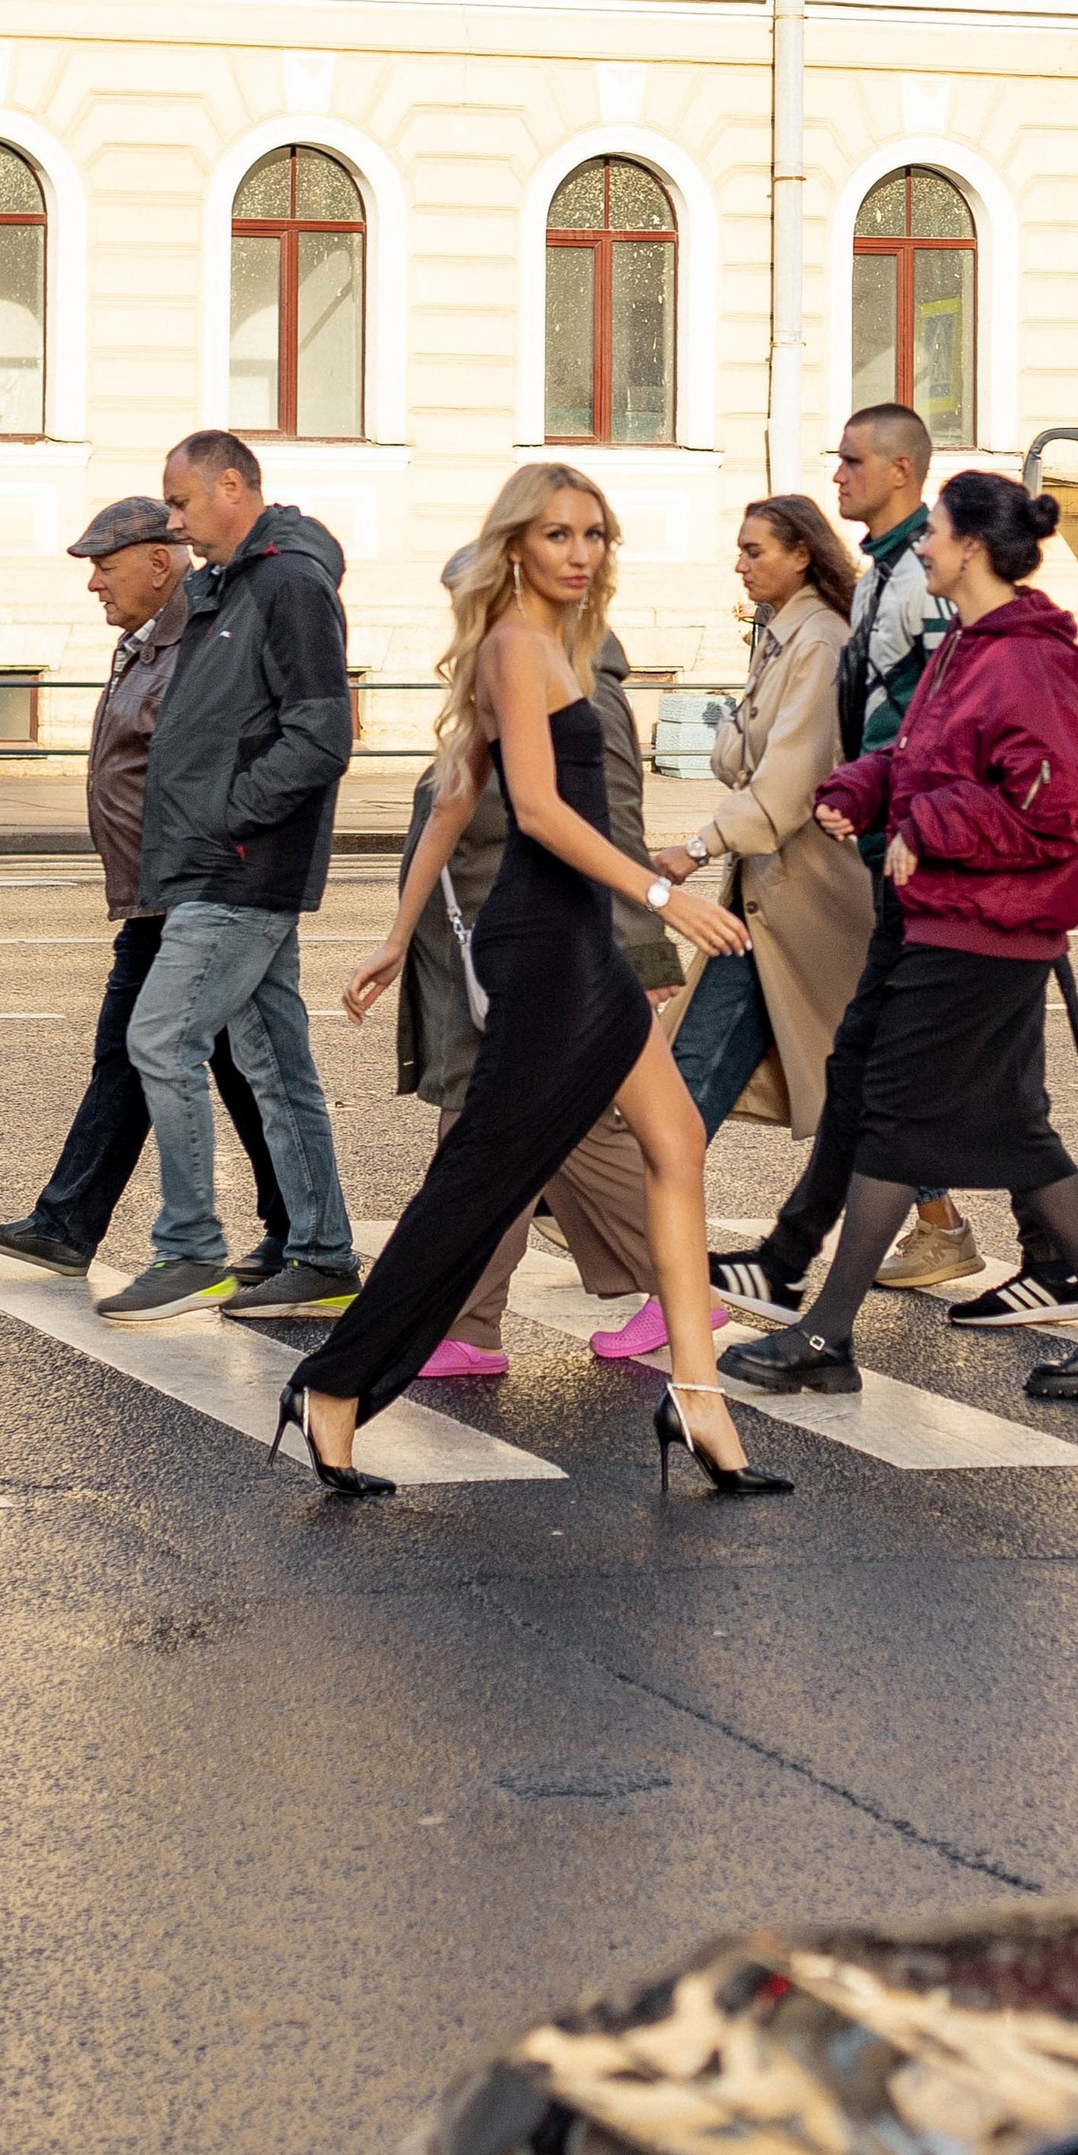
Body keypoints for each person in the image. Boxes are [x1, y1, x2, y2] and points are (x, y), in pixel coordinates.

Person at [277, 464, 786, 1500]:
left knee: (675, 1143)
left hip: (575, 940)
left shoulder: (550, 643)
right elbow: (543, 812)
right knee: (481, 1177)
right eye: (557, 534)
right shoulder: (515, 644)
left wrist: (398, 932)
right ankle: (333, 1384)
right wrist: (662, 896)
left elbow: (455, 792)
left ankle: (697, 1396)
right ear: (515, 544)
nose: (580, 552)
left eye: (594, 534)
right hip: (548, 948)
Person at [720, 470, 1078, 1407]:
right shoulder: (968, 644)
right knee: (1002, 1129)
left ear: (970, 545)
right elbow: (920, 759)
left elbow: (1063, 808)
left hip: (985, 929)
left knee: (893, 1113)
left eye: (932, 530)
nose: (920, 544)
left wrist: (928, 826)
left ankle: (825, 1332)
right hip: (936, 915)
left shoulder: (1028, 659)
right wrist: (860, 790)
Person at [707, 410, 1070, 1328]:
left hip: (951, 876)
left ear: (903, 470)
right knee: (910, 1072)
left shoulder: (932, 585)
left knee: (928, 1080)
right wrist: (864, 792)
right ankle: (1045, 1265)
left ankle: (803, 1271)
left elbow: (961, 736)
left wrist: (914, 815)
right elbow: (905, 730)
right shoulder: (885, 575)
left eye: (853, 460)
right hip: (908, 862)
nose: (838, 474)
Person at [0, 493, 286, 1283]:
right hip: (158, 894)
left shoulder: (197, 648)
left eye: (105, 566)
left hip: (190, 894)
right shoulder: (145, 645)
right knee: (198, 1061)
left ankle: (284, 1234)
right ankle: (80, 1224)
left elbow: (225, 768)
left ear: (159, 561)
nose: (93, 583)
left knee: (196, 1060)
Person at [103, 429, 361, 1326]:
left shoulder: (288, 583)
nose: (172, 524)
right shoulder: (231, 584)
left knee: (159, 1039)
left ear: (231, 486)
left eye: (180, 504)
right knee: (275, 1065)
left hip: (239, 869)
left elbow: (321, 734)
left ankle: (189, 1249)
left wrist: (228, 812)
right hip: (217, 866)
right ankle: (322, 1255)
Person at [394, 606, 689, 1379]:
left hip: (542, 954)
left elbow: (615, 822)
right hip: (501, 955)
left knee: (484, 1133)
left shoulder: (584, 683)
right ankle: (672, 1290)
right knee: (563, 1137)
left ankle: (463, 1323)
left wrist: (644, 950)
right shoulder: (508, 670)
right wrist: (396, 939)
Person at [656, 494, 872, 1156]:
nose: (740, 566)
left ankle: (627, 1203)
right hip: (772, 891)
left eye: (755, 551)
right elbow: (736, 758)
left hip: (804, 896)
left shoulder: (820, 641)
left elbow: (789, 779)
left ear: (802, 554)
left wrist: (698, 847)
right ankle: (929, 1199)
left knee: (690, 1077)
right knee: (846, 1083)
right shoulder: (782, 635)